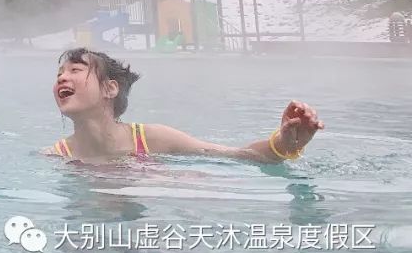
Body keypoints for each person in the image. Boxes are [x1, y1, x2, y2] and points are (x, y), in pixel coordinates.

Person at [40, 47, 324, 163]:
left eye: (75, 70)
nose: (63, 77)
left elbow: (237, 156)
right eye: (58, 75)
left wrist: (285, 145)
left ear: (110, 88)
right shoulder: (55, 157)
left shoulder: (151, 139)